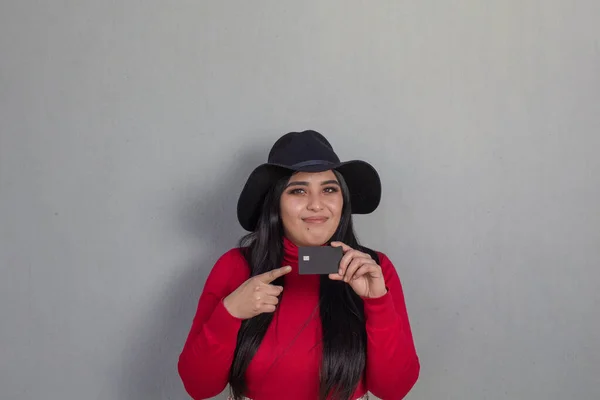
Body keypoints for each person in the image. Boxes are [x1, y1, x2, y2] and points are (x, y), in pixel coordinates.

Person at [178, 130, 420, 400]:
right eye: (298, 191)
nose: (316, 205)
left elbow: (394, 390)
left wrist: (377, 302)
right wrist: (230, 312)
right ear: (275, 204)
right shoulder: (235, 267)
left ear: (343, 201)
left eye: (329, 189)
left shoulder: (373, 270)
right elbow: (198, 387)